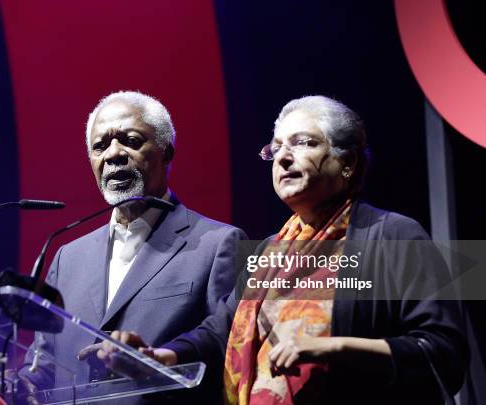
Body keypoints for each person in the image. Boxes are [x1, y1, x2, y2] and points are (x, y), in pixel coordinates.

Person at [99, 95, 468, 404]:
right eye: (276, 149)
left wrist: (334, 348)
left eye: (303, 143)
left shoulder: (393, 236)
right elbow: (218, 332)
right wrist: (164, 355)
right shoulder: (267, 254)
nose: (283, 158)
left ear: (348, 163)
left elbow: (443, 352)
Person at [22, 91, 247, 401]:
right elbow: (43, 361)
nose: (113, 154)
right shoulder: (67, 256)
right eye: (100, 146)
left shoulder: (220, 243)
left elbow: (225, 343)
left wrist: (156, 359)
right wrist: (17, 385)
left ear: (166, 153)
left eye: (131, 140)